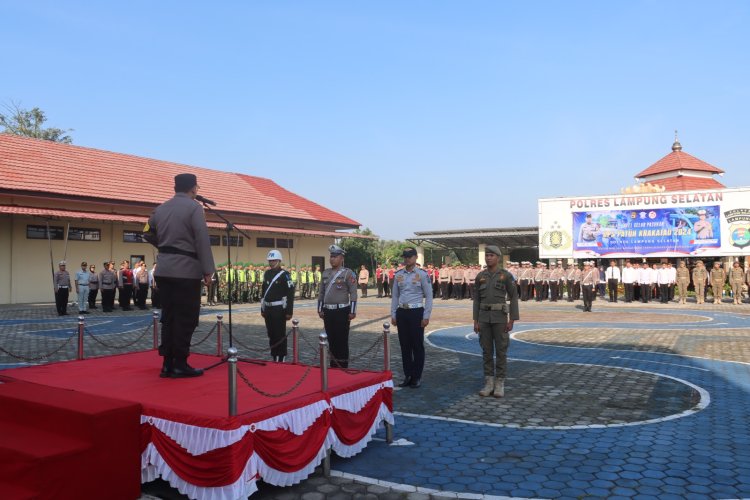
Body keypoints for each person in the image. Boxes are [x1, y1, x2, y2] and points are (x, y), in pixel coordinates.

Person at [145, 173, 215, 378]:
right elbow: (202, 239)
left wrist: (166, 247)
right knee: (186, 318)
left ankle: (167, 363)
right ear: (193, 188)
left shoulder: (160, 208)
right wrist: (208, 270)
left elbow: (147, 232)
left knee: (169, 317)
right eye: (197, 187)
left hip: (164, 270)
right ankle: (180, 364)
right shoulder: (194, 208)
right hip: (186, 271)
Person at [473, 245, 519, 398]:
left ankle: (499, 383)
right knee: (486, 351)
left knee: (500, 350)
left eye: (492, 255)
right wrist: (475, 320)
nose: (488, 258)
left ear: (498, 258)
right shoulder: (480, 276)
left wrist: (512, 318)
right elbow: (476, 300)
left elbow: (513, 297)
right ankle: (489, 382)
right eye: (487, 255)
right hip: (484, 318)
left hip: (500, 318)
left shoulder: (506, 275)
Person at [390, 247, 433, 389]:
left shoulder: (422, 274)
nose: (406, 259)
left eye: (409, 256)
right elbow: (395, 296)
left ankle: (417, 376)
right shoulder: (398, 275)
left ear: (415, 258)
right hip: (402, 312)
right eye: (405, 256)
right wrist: (394, 314)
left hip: (416, 312)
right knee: (405, 346)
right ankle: (408, 375)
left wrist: (426, 316)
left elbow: (429, 297)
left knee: (417, 346)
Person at [318, 245, 358, 368]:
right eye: (331, 256)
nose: (332, 259)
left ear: (341, 258)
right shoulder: (325, 273)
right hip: (328, 312)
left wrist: (352, 311)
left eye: (335, 257)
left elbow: (353, 293)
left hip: (342, 311)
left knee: (341, 341)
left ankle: (343, 366)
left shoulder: (348, 273)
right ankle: (333, 366)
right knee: (331, 340)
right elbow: (321, 292)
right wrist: (320, 309)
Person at [261, 250, 295, 362]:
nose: (271, 263)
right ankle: (274, 354)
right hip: (268, 308)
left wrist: (289, 311)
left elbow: (290, 293)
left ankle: (281, 355)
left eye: (273, 260)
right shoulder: (267, 273)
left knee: (279, 333)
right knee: (271, 333)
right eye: (270, 260)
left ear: (279, 261)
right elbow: (263, 292)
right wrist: (262, 308)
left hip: (279, 308)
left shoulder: (285, 275)